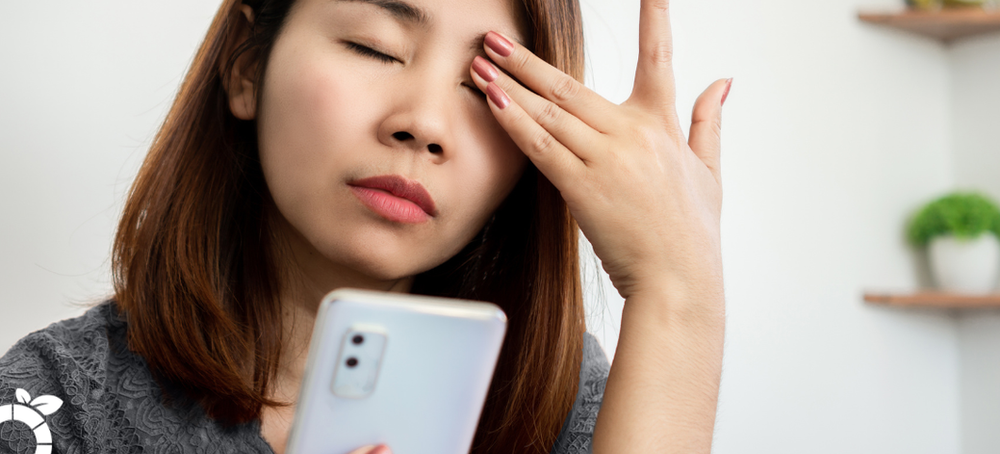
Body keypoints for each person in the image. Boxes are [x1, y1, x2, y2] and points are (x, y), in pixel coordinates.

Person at [0, 0, 730, 452]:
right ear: (247, 66)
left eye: (485, 86)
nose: (422, 124)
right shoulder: (52, 408)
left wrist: (680, 293)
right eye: (375, 48)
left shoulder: (563, 402)